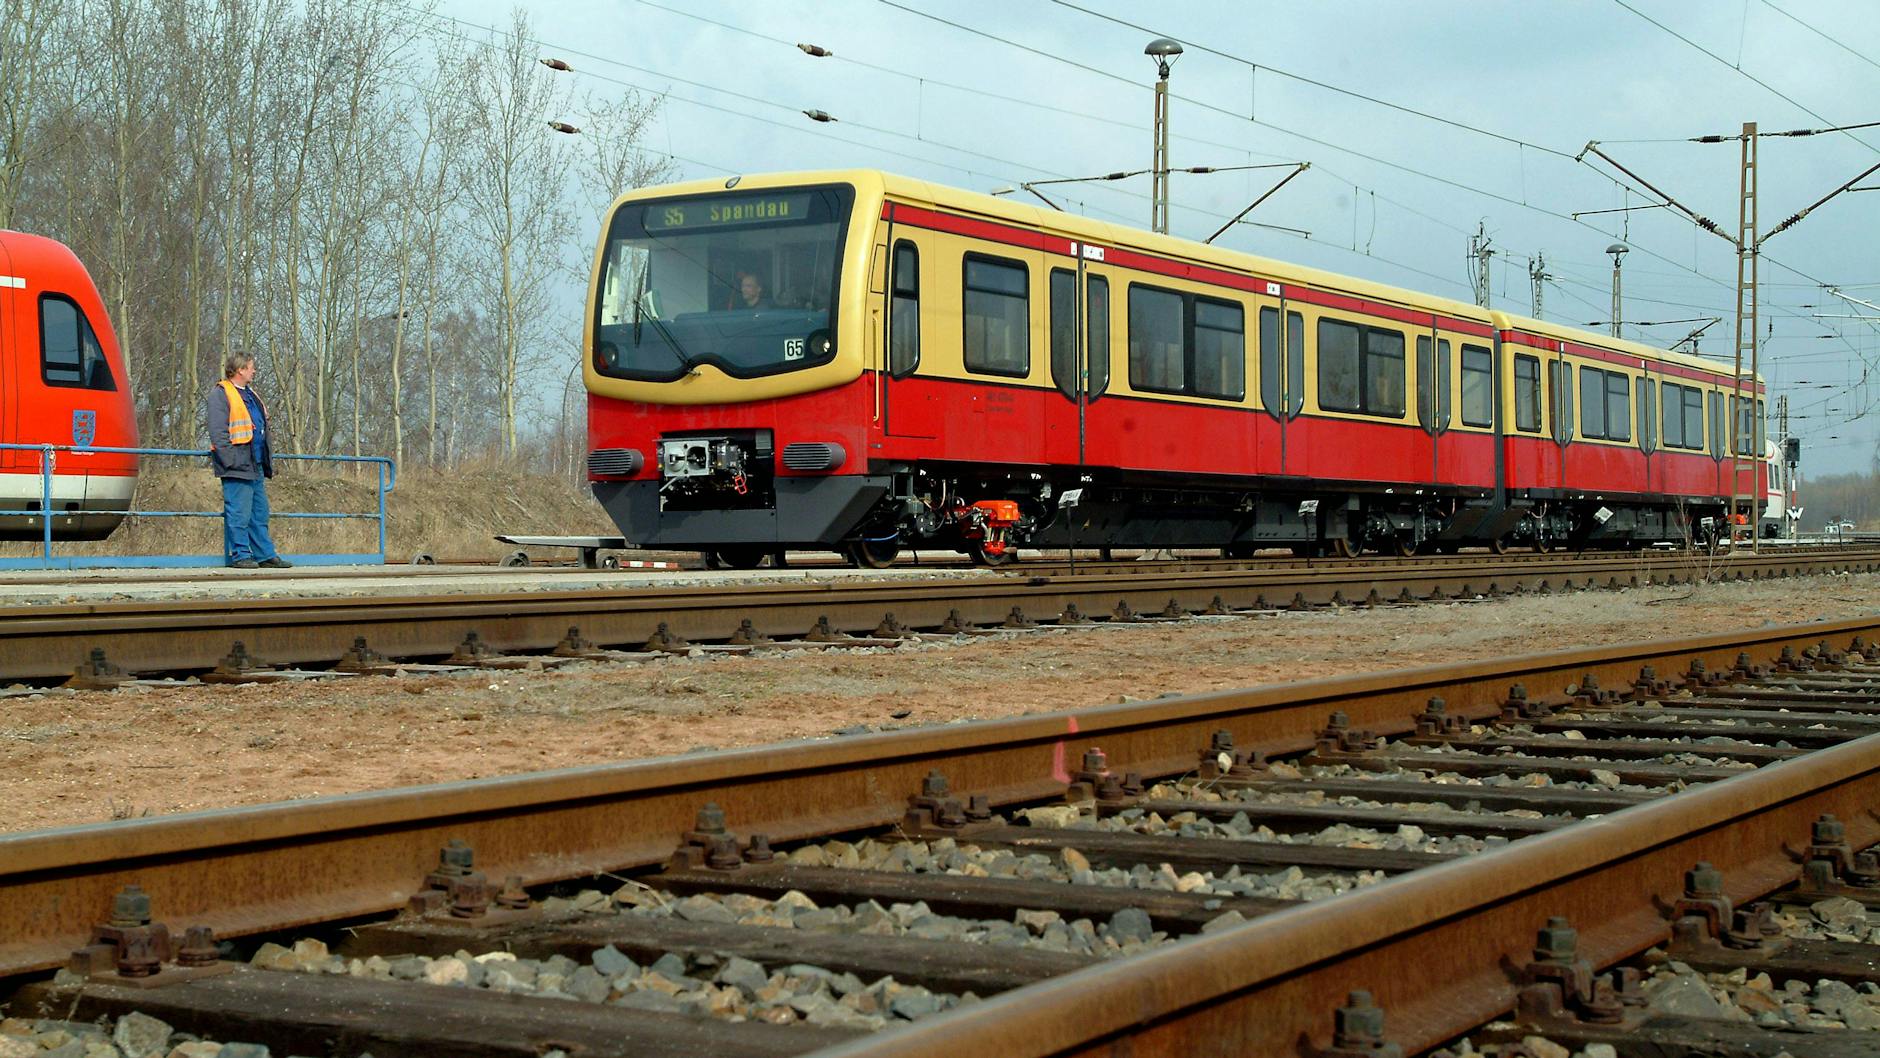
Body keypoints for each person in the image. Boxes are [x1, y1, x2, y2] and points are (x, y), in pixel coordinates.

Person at [203, 351, 290, 569]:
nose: (254, 370)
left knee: (259, 513)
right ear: (240, 369)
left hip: (255, 463)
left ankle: (264, 554)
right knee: (239, 513)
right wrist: (230, 459)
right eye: (251, 367)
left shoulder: (250, 394)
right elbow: (218, 431)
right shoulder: (221, 394)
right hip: (237, 464)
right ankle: (241, 555)